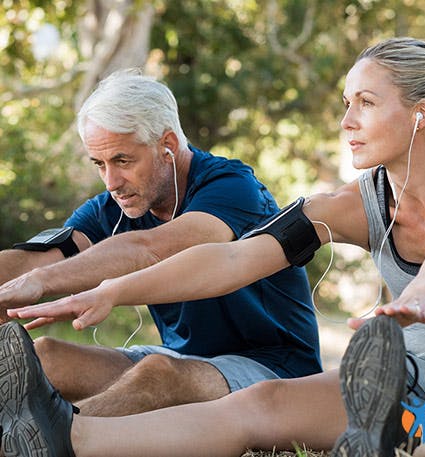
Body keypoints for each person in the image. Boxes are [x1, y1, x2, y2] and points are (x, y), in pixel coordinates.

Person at [2, 36, 425, 457]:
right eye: (346, 103)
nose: (346, 121)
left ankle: (424, 439)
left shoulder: (228, 182)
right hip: (406, 370)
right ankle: (66, 438)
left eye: (366, 103)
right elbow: (234, 258)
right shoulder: (350, 204)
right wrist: (112, 291)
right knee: (260, 403)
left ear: (421, 113)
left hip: (355, 369)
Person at [0, 69, 321, 417]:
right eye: (100, 164)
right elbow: (43, 258)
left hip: (275, 369)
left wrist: (43, 282)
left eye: (122, 161)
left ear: (167, 145)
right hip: (184, 361)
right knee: (44, 356)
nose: (111, 181)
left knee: (156, 375)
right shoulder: (113, 207)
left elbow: (150, 249)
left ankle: (54, 441)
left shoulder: (233, 186)